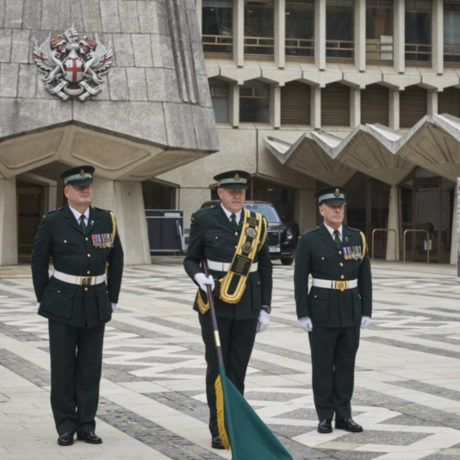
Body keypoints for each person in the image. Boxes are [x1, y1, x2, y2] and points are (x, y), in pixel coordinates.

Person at [31, 165, 123, 446]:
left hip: (95, 300)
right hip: (62, 301)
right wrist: (43, 297)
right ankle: (65, 426)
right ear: (67, 191)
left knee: (89, 367)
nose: (86, 190)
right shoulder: (52, 221)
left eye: (89, 186)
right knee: (62, 366)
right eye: (79, 187)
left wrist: (113, 297)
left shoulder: (106, 219)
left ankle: (86, 424)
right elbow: (38, 262)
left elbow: (116, 259)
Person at [183, 170, 272, 449]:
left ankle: (235, 423)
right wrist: (198, 277)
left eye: (241, 191)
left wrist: (265, 307)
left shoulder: (257, 222)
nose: (237, 196)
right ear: (219, 193)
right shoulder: (203, 219)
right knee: (217, 367)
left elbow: (266, 267)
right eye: (231, 191)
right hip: (214, 304)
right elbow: (190, 259)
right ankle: (218, 427)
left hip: (248, 304)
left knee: (238, 368)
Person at [294, 186, 372, 434]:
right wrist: (303, 313)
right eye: (332, 207)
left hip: (350, 308)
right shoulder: (308, 239)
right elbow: (299, 279)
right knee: (323, 365)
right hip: (321, 310)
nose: (338, 210)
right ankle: (325, 415)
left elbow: (365, 276)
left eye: (341, 206)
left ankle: (345, 415)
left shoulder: (356, 237)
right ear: (321, 210)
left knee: (346, 364)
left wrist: (366, 310)